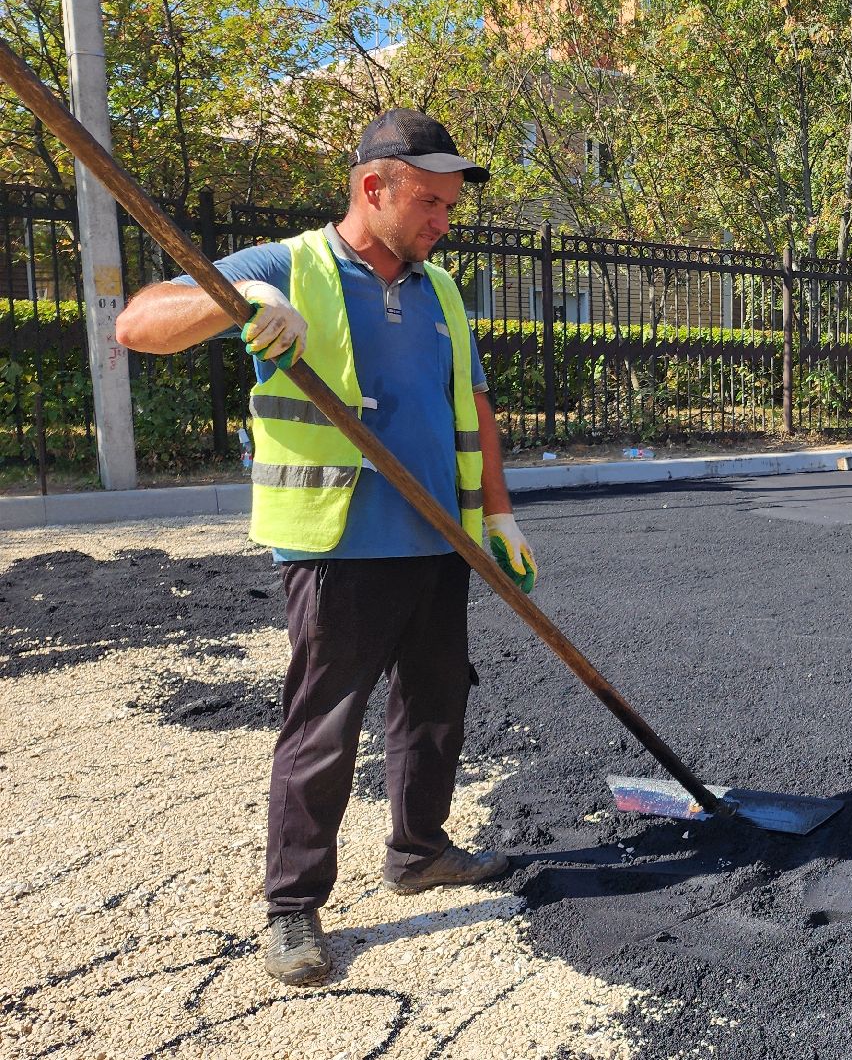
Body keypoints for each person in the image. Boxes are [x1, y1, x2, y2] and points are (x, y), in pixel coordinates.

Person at [117, 109, 539, 987]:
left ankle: (419, 851)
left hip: (439, 539)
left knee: (435, 707)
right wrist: (238, 304)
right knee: (324, 725)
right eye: (428, 201)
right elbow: (139, 323)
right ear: (371, 187)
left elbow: (478, 407)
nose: (441, 221)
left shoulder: (444, 291)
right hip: (338, 546)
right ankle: (292, 906)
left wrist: (497, 515)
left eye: (450, 207)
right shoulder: (289, 265)